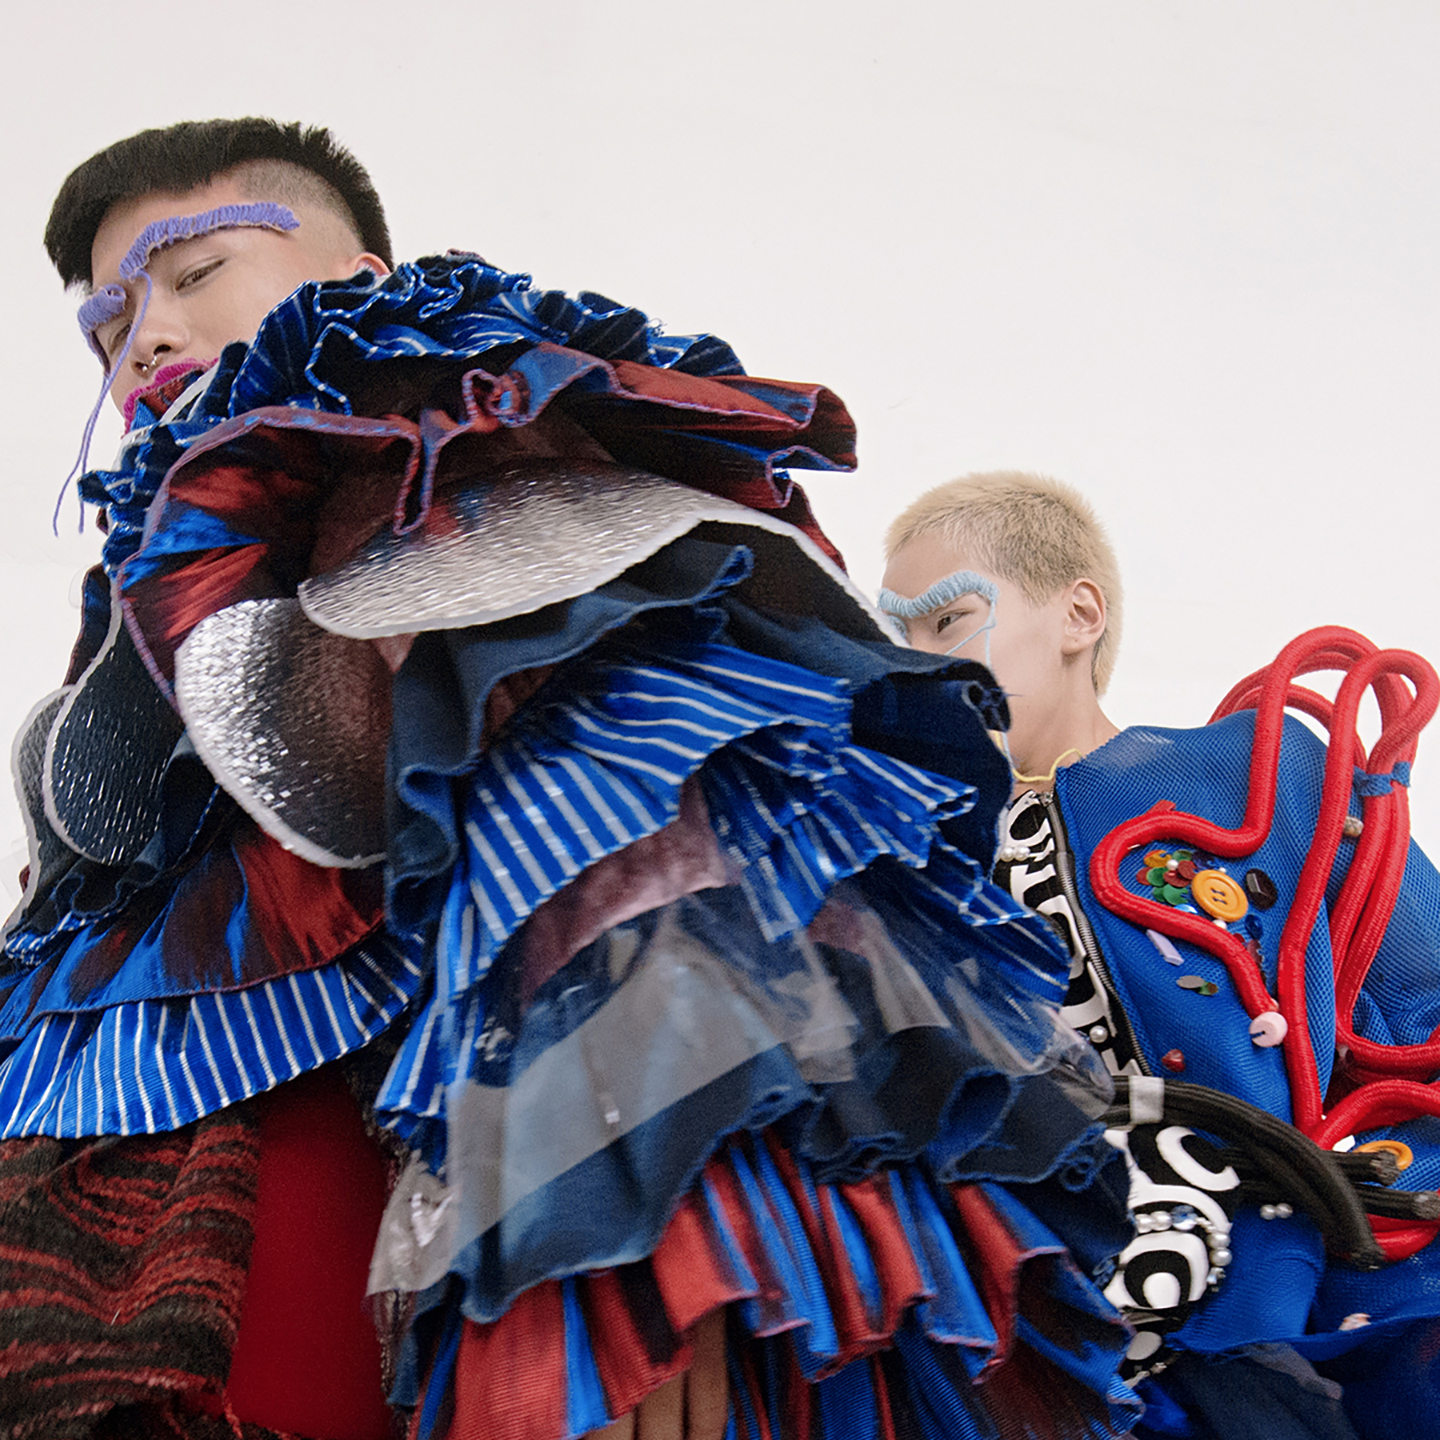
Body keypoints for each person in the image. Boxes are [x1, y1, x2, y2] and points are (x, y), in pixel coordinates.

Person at [1, 122, 1141, 1439]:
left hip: (407, 1206)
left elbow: (650, 811)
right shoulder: (162, 582)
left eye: (194, 272)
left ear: (360, 279)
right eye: (108, 322)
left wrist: (674, 1239)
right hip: (174, 1232)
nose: (144, 335)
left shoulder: (461, 447)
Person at [880, 470, 1440, 1440]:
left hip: (1316, 1292)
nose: (916, 662)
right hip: (1044, 1324)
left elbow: (1425, 1007)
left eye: (947, 620)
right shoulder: (902, 853)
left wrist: (1378, 1207)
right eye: (898, 637)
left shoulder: (1261, 771)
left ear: (1078, 615)